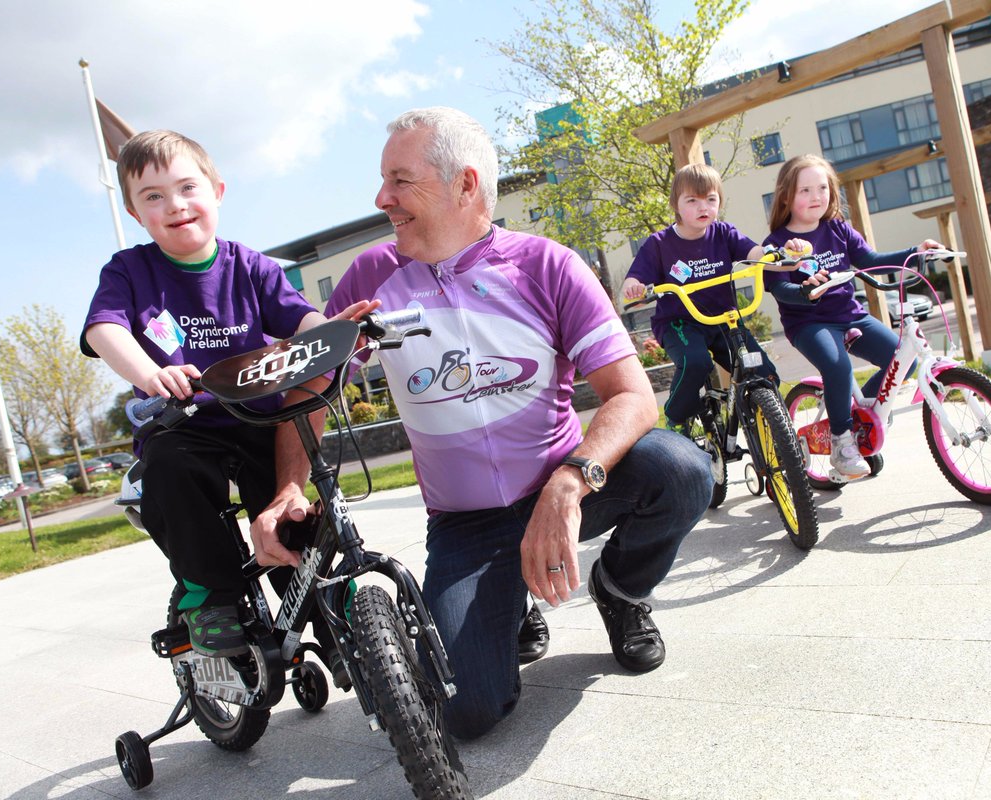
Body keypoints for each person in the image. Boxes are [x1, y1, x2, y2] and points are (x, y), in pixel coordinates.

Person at [251, 107, 713, 740]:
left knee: (681, 468)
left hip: (561, 487)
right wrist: (289, 489)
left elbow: (633, 396)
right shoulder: (368, 276)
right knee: (465, 711)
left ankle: (622, 591)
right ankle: (506, 605)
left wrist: (570, 483)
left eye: (400, 180)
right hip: (466, 525)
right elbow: (308, 391)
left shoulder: (549, 265)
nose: (381, 198)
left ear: (465, 185)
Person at [80, 130, 336, 662]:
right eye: (153, 196)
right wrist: (152, 374)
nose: (174, 205)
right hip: (183, 424)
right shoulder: (129, 270)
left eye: (186, 187)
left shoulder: (253, 268)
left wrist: (333, 333)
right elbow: (105, 330)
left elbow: (303, 319)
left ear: (217, 190)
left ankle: (332, 617)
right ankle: (210, 598)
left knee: (290, 511)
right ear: (135, 211)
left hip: (255, 421)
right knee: (172, 474)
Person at [762, 154, 941, 478]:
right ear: (786, 196)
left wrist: (916, 252)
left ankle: (866, 411)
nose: (816, 196)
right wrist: (802, 292)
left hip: (850, 315)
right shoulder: (777, 244)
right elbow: (778, 288)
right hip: (809, 323)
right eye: (805, 190)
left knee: (904, 358)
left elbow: (872, 259)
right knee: (838, 366)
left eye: (822, 188)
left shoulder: (838, 229)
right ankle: (842, 443)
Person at [620, 164, 806, 434]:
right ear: (676, 204)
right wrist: (634, 287)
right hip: (680, 322)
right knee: (697, 362)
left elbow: (757, 254)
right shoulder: (659, 243)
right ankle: (676, 414)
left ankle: (761, 422)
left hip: (723, 320)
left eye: (710, 199)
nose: (702, 207)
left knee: (763, 372)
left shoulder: (724, 233)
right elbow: (633, 279)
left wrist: (785, 256)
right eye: (692, 200)